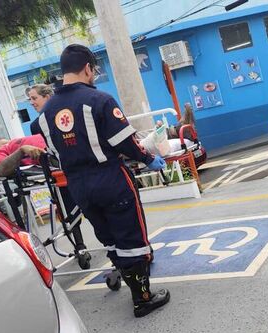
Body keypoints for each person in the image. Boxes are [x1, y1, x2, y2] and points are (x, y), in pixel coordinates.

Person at [34, 44, 169, 318]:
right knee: (131, 235)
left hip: (78, 186)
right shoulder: (100, 100)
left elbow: (52, 152)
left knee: (108, 235)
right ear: (87, 68)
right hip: (110, 178)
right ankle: (142, 298)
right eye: (93, 70)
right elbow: (127, 143)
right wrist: (148, 159)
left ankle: (125, 275)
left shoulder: (45, 115)